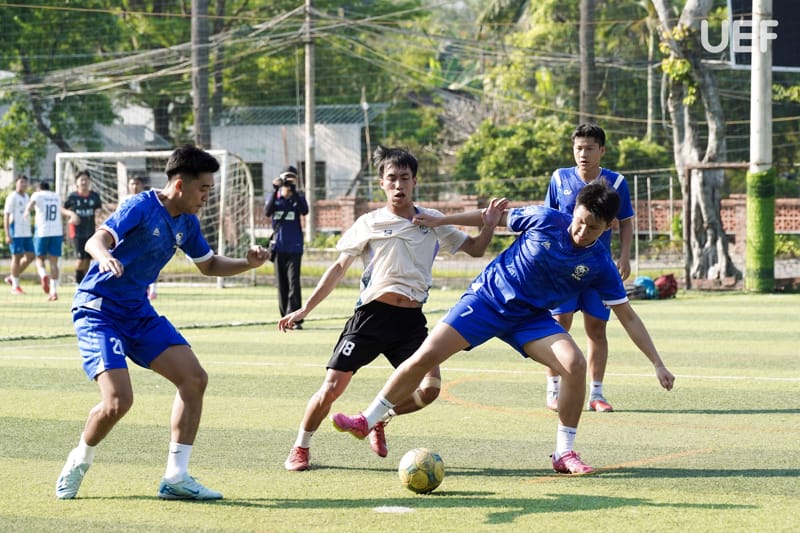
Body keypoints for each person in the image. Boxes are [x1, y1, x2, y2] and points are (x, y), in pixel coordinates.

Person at [331, 180, 675, 475]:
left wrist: (657, 363)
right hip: (487, 300)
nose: (582, 232)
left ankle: (564, 452)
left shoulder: (599, 263)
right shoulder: (544, 219)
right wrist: (442, 220)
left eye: (593, 228)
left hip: (530, 319)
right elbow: (491, 217)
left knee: (574, 364)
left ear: (609, 226)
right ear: (574, 210)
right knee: (425, 356)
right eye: (580, 221)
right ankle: (367, 419)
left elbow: (628, 316)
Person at [55, 145, 268, 500]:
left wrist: (248, 263)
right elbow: (96, 239)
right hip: (99, 310)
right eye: (204, 189)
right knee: (118, 402)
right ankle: (79, 459)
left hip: (137, 312)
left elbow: (208, 265)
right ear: (180, 185)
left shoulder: (188, 222)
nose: (206, 197)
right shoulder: (141, 206)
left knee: (194, 378)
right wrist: (105, 256)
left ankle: (176, 477)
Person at [278, 145, 506, 472]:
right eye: (392, 178)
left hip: (410, 322)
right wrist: (304, 310)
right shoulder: (369, 222)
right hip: (371, 317)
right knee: (331, 388)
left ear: (415, 182)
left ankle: (376, 418)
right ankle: (301, 447)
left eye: (405, 178)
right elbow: (338, 269)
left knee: (429, 389)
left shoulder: (432, 220)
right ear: (381, 184)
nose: (399, 184)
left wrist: (489, 225)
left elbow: (475, 249)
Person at [543, 124, 634, 413]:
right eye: (578, 148)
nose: (583, 154)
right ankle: (553, 389)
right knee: (559, 324)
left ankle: (597, 393)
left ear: (602, 150)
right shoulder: (559, 178)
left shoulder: (616, 182)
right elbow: (549, 219)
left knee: (597, 328)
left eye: (589, 148)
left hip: (597, 269)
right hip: (563, 267)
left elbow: (626, 221)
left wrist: (624, 257)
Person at [265, 165, 309, 327]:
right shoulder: (275, 198)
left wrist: (294, 192)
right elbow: (267, 211)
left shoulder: (298, 197)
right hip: (278, 247)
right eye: (286, 178)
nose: (289, 181)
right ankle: (285, 317)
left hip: (294, 248)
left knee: (293, 283)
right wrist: (275, 189)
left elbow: (305, 210)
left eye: (292, 178)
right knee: (281, 284)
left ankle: (295, 318)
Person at [25, 181, 77, 301]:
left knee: (39, 259)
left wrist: (27, 211)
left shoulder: (37, 195)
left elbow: (31, 204)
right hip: (56, 232)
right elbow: (61, 210)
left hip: (42, 231)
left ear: (39, 188)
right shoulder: (55, 196)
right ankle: (53, 291)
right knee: (54, 262)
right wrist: (71, 214)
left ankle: (43, 275)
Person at [63, 170, 102, 284]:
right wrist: (71, 214)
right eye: (81, 180)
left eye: (86, 179)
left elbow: (99, 209)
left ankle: (84, 284)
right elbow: (62, 209)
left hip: (91, 232)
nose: (84, 182)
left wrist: (99, 215)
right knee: (80, 260)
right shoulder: (72, 197)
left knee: (88, 260)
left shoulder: (94, 196)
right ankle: (78, 283)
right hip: (77, 232)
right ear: (77, 182)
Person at [122, 176, 157, 300]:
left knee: (151, 262)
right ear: (128, 185)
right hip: (130, 238)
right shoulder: (125, 200)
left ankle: (153, 289)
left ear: (142, 185)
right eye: (132, 183)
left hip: (146, 236)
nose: (135, 186)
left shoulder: (148, 200)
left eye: (137, 183)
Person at [3, 175, 35, 294]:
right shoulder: (12, 197)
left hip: (26, 232)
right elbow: (6, 215)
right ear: (16, 183)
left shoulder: (27, 196)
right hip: (15, 232)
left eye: (25, 182)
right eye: (21, 182)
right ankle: (15, 286)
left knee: (31, 256)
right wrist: (7, 234)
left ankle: (12, 277)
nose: (23, 184)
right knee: (16, 257)